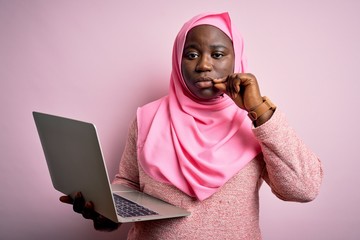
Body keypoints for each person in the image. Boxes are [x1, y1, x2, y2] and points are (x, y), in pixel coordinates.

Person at [60, 12, 323, 239]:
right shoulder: (147, 117)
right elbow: (128, 185)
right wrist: (105, 213)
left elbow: (304, 188)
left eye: (218, 54)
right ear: (177, 60)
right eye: (192, 54)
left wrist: (259, 110)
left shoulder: (255, 123)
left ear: (236, 60)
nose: (204, 65)